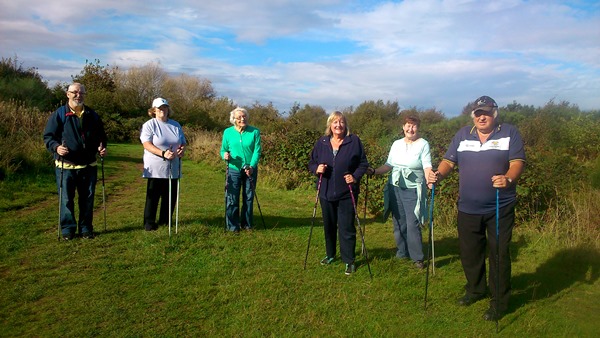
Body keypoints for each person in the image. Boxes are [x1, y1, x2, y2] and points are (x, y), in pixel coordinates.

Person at [427, 95, 525, 321]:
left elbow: (517, 163)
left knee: (499, 254)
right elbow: (449, 162)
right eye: (478, 113)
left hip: (500, 206)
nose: (483, 117)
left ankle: (499, 302)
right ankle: (475, 289)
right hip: (468, 207)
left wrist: (508, 179)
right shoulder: (463, 134)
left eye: (487, 113)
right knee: (470, 254)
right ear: (474, 115)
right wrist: (438, 175)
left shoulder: (509, 132)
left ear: (494, 114)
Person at [367, 115, 433, 269]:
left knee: (412, 223)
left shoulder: (423, 144)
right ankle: (402, 252)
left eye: (414, 126)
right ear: (403, 127)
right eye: (408, 125)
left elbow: (427, 165)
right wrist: (374, 171)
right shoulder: (396, 144)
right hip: (394, 187)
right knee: (398, 222)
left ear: (418, 128)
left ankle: (417, 257)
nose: (410, 129)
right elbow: (389, 165)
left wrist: (430, 180)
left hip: (413, 189)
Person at [43, 83, 107, 240]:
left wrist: (102, 147)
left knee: (87, 199)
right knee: (66, 199)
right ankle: (68, 230)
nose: (78, 95)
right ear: (68, 94)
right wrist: (56, 147)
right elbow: (48, 137)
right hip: (66, 165)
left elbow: (101, 136)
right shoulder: (59, 114)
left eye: (81, 93)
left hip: (89, 165)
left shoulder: (92, 114)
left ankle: (86, 228)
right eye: (75, 92)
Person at [308, 111, 369, 275]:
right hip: (326, 191)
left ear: (345, 125)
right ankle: (330, 254)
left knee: (346, 227)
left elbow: (363, 164)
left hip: (347, 192)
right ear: (330, 125)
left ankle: (349, 260)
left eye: (341, 122)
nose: (338, 125)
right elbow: (311, 162)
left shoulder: (354, 141)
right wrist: (316, 169)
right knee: (328, 226)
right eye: (335, 122)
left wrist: (355, 177)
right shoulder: (322, 142)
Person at [140, 98, 186, 231]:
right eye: (159, 108)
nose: (163, 110)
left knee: (170, 196)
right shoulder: (149, 125)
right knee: (153, 196)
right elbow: (146, 144)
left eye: (165, 107)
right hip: (155, 168)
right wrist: (163, 153)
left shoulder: (175, 125)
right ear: (153, 110)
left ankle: (165, 221)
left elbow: (182, 141)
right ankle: (149, 223)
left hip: (174, 166)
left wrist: (181, 149)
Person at [220, 107, 262, 233]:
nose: (242, 119)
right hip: (233, 169)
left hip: (250, 169)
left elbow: (257, 150)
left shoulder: (255, 132)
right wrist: (224, 155)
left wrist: (252, 166)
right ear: (233, 119)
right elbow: (223, 149)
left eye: (244, 116)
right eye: (239, 117)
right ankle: (232, 226)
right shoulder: (228, 132)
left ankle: (247, 224)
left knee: (248, 197)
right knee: (232, 197)